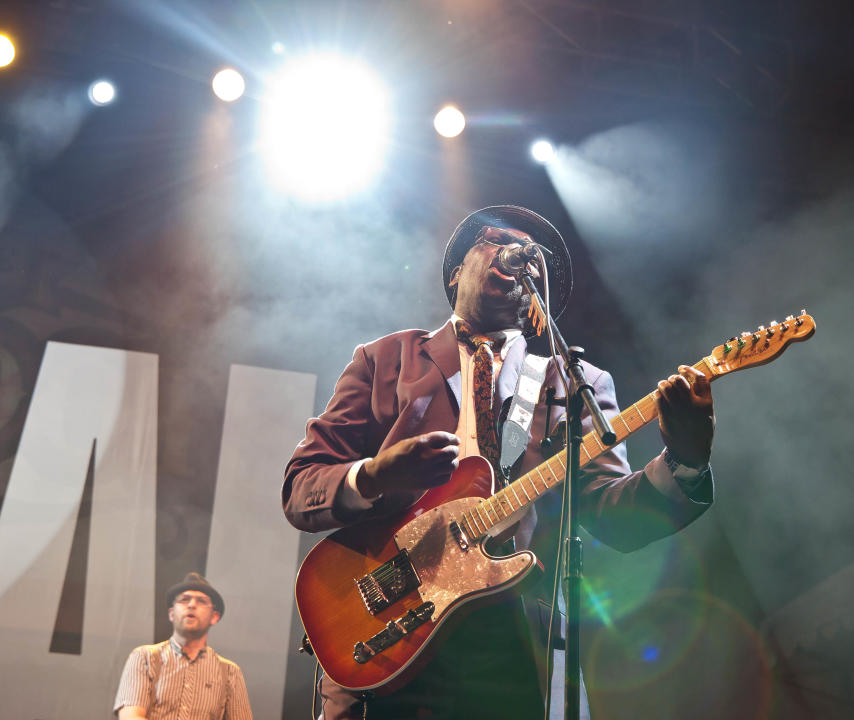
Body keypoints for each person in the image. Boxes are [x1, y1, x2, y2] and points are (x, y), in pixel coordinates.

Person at [283, 205, 716, 719]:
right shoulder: (385, 361)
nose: (520, 255)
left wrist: (686, 459)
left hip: (513, 646)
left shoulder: (574, 383)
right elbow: (301, 486)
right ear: (455, 274)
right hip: (386, 636)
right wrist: (374, 476)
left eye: (535, 257)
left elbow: (613, 516)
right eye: (494, 241)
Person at [114, 572, 253, 720]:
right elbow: (131, 717)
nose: (192, 605)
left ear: (214, 617)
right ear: (172, 614)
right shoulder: (144, 658)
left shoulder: (230, 672)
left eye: (201, 601)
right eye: (184, 599)